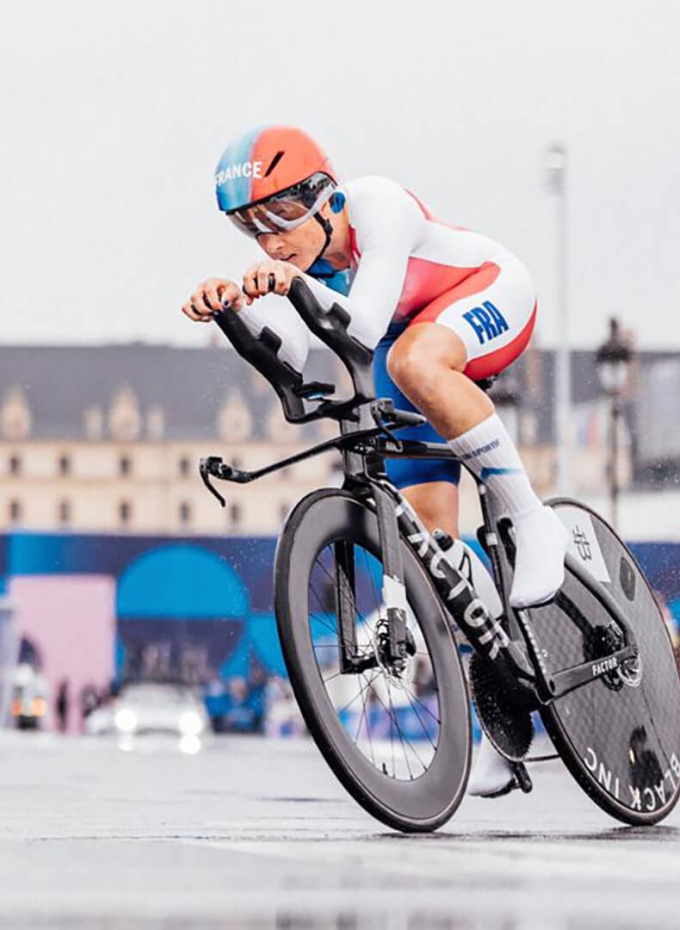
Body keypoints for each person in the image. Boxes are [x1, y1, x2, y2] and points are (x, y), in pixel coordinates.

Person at [182, 125, 572, 796]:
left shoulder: (378, 206)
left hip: (489, 294)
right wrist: (232, 315)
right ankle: (503, 709)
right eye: (251, 228)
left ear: (325, 199)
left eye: (279, 216)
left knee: (414, 359)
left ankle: (534, 520)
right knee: (434, 546)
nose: (270, 240)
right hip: (403, 340)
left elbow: (360, 326)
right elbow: (295, 362)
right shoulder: (303, 270)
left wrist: (288, 287)